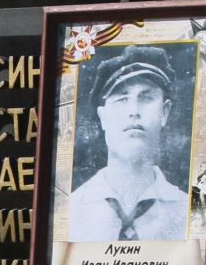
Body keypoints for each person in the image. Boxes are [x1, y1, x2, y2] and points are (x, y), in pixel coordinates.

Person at [64, 44, 189, 243]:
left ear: (164, 112)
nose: (134, 110)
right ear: (103, 117)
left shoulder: (189, 213)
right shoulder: (69, 212)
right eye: (122, 99)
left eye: (146, 97)